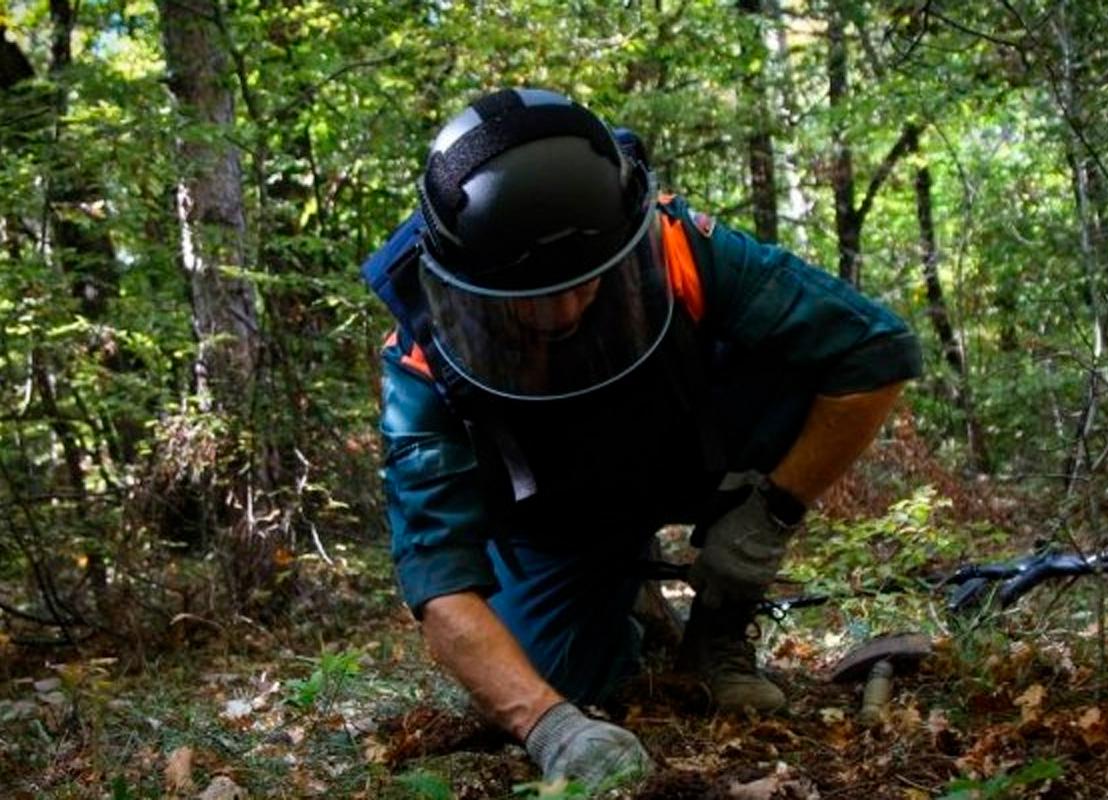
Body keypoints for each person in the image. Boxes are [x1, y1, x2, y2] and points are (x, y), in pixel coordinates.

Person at [373, 88, 922, 788]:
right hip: (553, 515)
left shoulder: (678, 245)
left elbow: (874, 351)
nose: (565, 311)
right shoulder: (422, 355)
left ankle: (717, 635)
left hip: (693, 453)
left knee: (803, 364)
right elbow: (440, 584)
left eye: (587, 282)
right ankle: (622, 597)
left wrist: (769, 516)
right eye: (531, 298)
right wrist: (552, 726)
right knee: (552, 674)